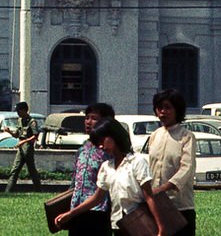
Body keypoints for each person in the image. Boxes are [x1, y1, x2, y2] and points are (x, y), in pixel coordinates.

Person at [56, 119, 167, 236]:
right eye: (97, 143)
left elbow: (149, 196)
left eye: (102, 140)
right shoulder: (106, 167)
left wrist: (161, 227)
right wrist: (70, 214)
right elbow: (96, 198)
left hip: (140, 223)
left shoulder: (137, 162)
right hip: (118, 225)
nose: (101, 146)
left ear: (114, 136)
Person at [149, 89, 197, 236]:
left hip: (180, 206)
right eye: (160, 108)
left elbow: (186, 168)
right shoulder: (154, 136)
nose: (163, 112)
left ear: (178, 110)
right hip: (156, 206)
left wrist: (165, 187)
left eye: (168, 107)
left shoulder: (187, 137)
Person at [63, 102, 114, 236]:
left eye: (94, 118)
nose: (88, 122)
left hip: (99, 210)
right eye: (87, 118)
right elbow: (75, 180)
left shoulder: (110, 151)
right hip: (77, 208)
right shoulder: (83, 148)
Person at [4, 101, 41, 191]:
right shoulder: (20, 120)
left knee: (32, 171)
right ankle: (8, 191)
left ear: (24, 110)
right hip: (21, 148)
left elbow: (35, 136)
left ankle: (38, 190)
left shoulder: (32, 122)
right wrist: (9, 132)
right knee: (14, 170)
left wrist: (24, 141)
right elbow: (17, 135)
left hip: (28, 147)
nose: (18, 113)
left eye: (19, 111)